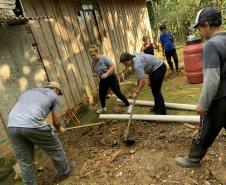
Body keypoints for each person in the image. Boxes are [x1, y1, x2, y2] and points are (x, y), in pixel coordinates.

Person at [176, 7, 226, 168]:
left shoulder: (211, 45)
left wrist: (203, 105)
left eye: (199, 27)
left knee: (206, 129)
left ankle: (193, 159)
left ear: (207, 25)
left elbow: (211, 80)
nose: (199, 31)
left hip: (219, 99)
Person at [7, 81, 73, 185]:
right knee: (55, 148)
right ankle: (65, 171)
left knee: (25, 161)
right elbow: (56, 121)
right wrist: (59, 129)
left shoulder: (28, 92)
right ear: (56, 90)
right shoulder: (54, 96)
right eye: (59, 93)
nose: (58, 95)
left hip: (12, 126)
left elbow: (25, 111)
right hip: (31, 125)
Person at [89, 45, 132, 114]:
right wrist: (96, 74)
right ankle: (103, 108)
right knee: (101, 94)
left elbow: (113, 66)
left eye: (94, 55)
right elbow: (95, 70)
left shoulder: (103, 58)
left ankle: (129, 105)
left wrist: (106, 74)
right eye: (91, 56)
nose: (92, 57)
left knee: (118, 93)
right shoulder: (93, 62)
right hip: (103, 79)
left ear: (97, 53)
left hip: (111, 78)